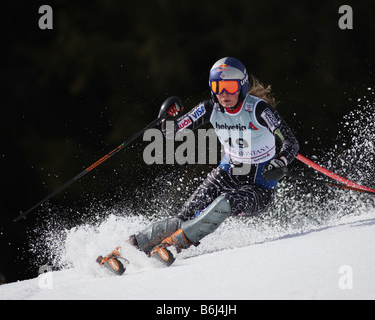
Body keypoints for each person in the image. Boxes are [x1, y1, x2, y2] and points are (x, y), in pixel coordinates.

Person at [97, 57, 299, 272]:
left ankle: (172, 245)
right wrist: (167, 119)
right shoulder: (209, 108)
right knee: (182, 219)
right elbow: (172, 133)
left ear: (242, 86)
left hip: (260, 185)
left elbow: (290, 142)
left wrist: (280, 161)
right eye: (217, 87)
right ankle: (125, 251)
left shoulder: (258, 109)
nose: (224, 94)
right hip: (227, 172)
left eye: (230, 87)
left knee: (225, 202)